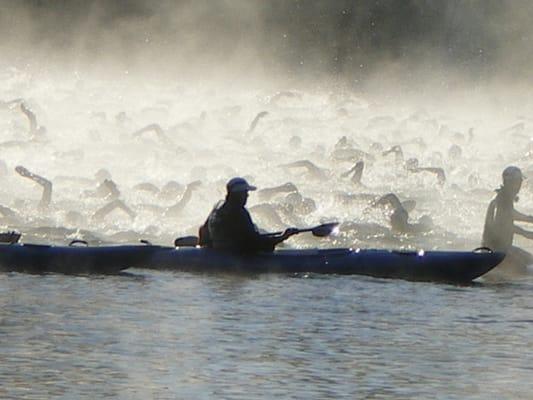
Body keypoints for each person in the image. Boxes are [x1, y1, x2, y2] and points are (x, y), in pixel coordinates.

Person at [198, 177, 298, 253]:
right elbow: (254, 242)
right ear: (237, 194)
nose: (247, 195)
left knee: (260, 232)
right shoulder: (239, 212)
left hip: (218, 249)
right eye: (245, 193)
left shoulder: (218, 206)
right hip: (233, 254)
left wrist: (205, 248)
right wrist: (282, 237)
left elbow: (203, 230)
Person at [482, 166, 533, 271]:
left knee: (531, 260)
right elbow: (501, 225)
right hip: (495, 252)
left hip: (503, 248)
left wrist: (529, 219)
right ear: (508, 182)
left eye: (520, 182)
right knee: (524, 270)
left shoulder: (505, 197)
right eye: (517, 182)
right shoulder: (501, 199)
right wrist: (525, 233)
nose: (519, 185)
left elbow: (509, 214)